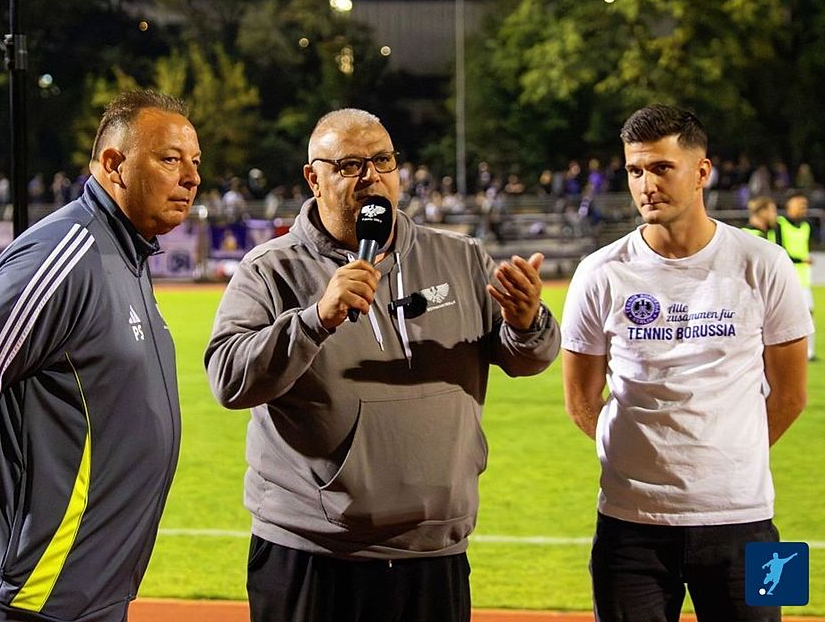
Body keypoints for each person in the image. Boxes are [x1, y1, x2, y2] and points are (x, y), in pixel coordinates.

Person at [204, 108, 560, 622]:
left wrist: (527, 324)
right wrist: (314, 321)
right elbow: (229, 380)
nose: (372, 176)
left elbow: (531, 360)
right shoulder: (269, 271)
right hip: (312, 553)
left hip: (434, 552)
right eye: (350, 165)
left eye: (383, 160)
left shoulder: (461, 258)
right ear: (314, 178)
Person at [0, 89, 202, 622]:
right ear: (114, 164)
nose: (192, 177)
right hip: (29, 595)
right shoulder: (66, 253)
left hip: (85, 591)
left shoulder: (125, 254)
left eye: (195, 163)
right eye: (171, 159)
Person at [561, 104, 812, 622]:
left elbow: (790, 396)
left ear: (702, 171)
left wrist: (722, 459)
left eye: (660, 168)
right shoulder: (598, 273)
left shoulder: (764, 264)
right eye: (635, 170)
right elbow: (579, 400)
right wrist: (638, 457)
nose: (645, 184)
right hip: (628, 530)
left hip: (751, 523)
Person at [778, 193, 815, 360]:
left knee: (809, 314)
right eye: (800, 204)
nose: (803, 208)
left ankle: (809, 352)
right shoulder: (780, 224)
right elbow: (778, 249)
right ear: (789, 206)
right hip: (787, 277)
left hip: (804, 278)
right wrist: (801, 259)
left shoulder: (806, 226)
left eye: (805, 205)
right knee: (786, 318)